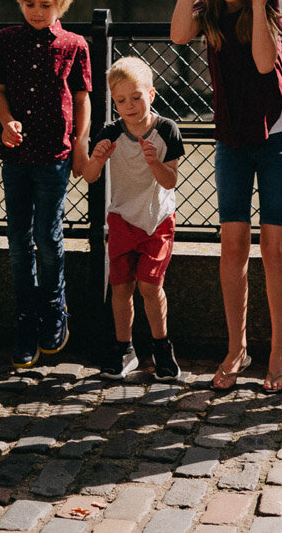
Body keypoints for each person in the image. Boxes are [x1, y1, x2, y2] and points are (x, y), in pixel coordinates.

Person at [170, 0, 282, 393]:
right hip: (232, 137)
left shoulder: (266, 3)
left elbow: (265, 65)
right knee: (232, 245)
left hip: (275, 136)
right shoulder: (209, 12)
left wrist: (261, 5)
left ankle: (280, 350)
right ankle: (237, 348)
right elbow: (178, 34)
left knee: (274, 247)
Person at [0, 0, 91, 370]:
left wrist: (81, 144)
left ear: (60, 4)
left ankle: (53, 307)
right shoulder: (5, 40)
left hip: (56, 153)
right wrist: (5, 121)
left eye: (46, 5)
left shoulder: (75, 45)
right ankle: (26, 316)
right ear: (19, 2)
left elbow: (82, 98)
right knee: (16, 240)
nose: (38, 12)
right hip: (15, 153)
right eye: (30, 4)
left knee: (48, 234)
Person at [79, 55, 183, 381]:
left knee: (151, 287)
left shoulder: (166, 129)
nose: (130, 106)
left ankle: (162, 347)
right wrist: (95, 158)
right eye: (121, 100)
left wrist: (155, 163)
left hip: (157, 219)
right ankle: (123, 349)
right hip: (122, 218)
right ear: (114, 102)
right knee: (121, 288)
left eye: (136, 98)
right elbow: (90, 176)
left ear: (151, 95)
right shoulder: (110, 132)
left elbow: (171, 181)